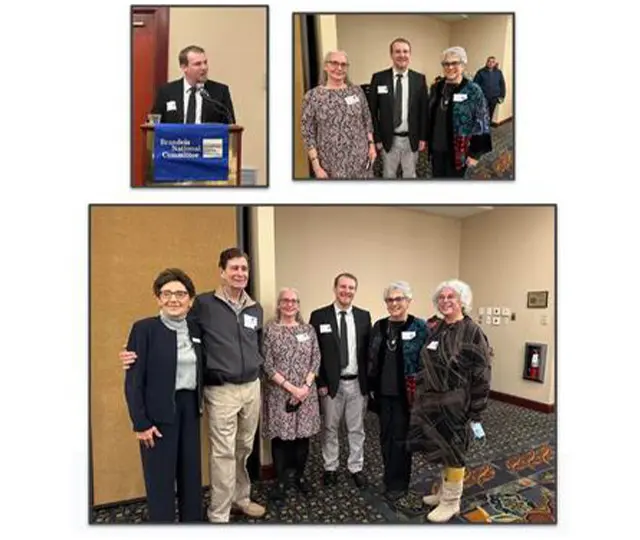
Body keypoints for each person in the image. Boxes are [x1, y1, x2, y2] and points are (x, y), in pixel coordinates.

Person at [121, 248, 265, 523]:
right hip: (218, 391)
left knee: (241, 449)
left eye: (244, 269)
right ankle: (219, 513)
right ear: (221, 271)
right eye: (233, 268)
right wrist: (131, 353)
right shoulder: (204, 305)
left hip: (240, 390)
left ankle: (238, 498)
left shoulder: (253, 308)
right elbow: (163, 334)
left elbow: (252, 343)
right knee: (221, 453)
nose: (239, 273)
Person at [407, 279, 492, 523]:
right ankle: (444, 492)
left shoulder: (472, 331)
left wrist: (476, 410)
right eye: (441, 297)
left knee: (454, 451)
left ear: (461, 301)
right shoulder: (438, 327)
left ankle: (452, 501)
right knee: (442, 448)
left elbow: (482, 373)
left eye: (451, 297)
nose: (445, 301)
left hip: (457, 403)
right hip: (433, 402)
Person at [123, 268, 203, 522]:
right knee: (160, 481)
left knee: (191, 476)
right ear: (158, 298)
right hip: (157, 415)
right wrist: (140, 423)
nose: (174, 299)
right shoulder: (144, 329)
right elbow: (133, 382)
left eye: (180, 293)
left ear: (190, 300)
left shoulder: (196, 328)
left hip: (189, 409)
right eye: (166, 293)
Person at [367, 282, 429, 507]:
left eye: (399, 299)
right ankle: (388, 477)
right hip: (383, 393)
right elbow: (371, 357)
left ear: (408, 301)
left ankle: (400, 483)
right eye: (390, 300)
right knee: (385, 437)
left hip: (407, 395)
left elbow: (428, 361)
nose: (394, 304)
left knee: (402, 439)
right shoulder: (380, 326)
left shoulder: (420, 327)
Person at [309, 273, 372, 488]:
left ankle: (356, 467)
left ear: (355, 291)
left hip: (357, 383)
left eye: (351, 287)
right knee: (330, 428)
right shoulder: (319, 316)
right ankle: (330, 467)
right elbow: (314, 353)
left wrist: (368, 384)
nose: (347, 291)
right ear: (335, 289)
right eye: (342, 287)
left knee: (357, 429)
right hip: (331, 385)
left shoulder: (364, 316)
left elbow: (367, 353)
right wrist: (320, 383)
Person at [261, 288, 321, 500]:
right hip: (279, 393)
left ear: (298, 305)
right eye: (285, 300)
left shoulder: (308, 329)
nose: (289, 304)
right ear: (279, 304)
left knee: (302, 437)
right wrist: (291, 388)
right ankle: (281, 480)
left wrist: (305, 387)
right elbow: (267, 365)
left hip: (306, 393)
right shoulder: (270, 330)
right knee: (282, 439)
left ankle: (300, 477)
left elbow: (316, 360)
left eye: (294, 301)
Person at [301, 50, 376, 179]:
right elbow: (308, 132)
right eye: (334, 63)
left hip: (360, 159)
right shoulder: (313, 96)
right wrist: (316, 166)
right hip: (330, 164)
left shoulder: (357, 92)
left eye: (343, 64)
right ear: (325, 66)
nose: (339, 68)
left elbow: (366, 120)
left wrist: (371, 145)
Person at [367, 38, 429, 179]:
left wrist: (423, 137)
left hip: (411, 138)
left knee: (410, 174)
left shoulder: (419, 79)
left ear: (410, 54)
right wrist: (376, 138)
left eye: (405, 51)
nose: (402, 55)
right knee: (389, 174)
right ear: (391, 55)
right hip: (388, 138)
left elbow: (423, 111)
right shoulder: (379, 78)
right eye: (398, 51)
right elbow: (372, 112)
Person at [427, 47, 492, 178]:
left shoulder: (473, 90)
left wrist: (475, 153)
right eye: (446, 63)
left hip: (459, 151)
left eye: (455, 63)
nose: (450, 67)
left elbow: (482, 121)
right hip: (437, 147)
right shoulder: (436, 87)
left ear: (463, 65)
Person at [151, 45, 235, 124]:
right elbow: (153, 123)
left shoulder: (220, 91)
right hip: (177, 139)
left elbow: (230, 126)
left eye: (205, 62)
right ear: (184, 67)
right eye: (198, 64)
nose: (204, 67)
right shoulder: (166, 92)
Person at [473, 56, 506, 123]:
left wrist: (502, 96)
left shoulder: (499, 72)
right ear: (487, 62)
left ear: (495, 63)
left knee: (490, 115)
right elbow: (475, 85)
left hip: (494, 98)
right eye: (489, 61)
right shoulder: (480, 72)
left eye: (493, 62)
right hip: (483, 98)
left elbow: (502, 84)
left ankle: (487, 128)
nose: (491, 63)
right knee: (481, 115)